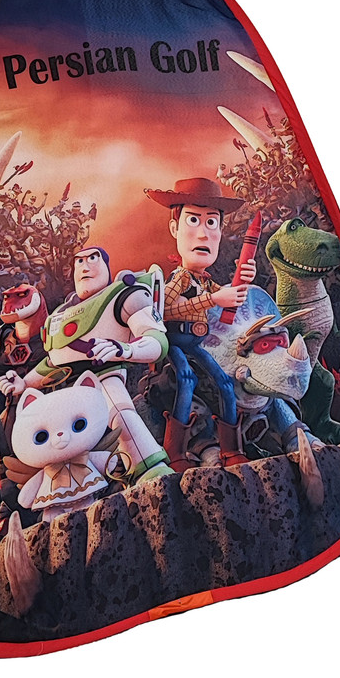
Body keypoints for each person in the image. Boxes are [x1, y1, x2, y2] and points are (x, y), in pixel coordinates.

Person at [0, 246, 173, 482]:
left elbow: (156, 340)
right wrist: (24, 383)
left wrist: (125, 349)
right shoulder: (60, 314)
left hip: (104, 376)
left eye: (92, 258)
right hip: (66, 391)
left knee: (120, 412)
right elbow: (54, 361)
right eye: (78, 261)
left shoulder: (124, 295)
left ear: (107, 265)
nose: (85, 266)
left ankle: (149, 469)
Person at [145, 177, 256, 468]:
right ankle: (175, 453)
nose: (203, 234)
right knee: (186, 379)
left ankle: (232, 449)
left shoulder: (205, 281)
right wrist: (213, 299)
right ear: (174, 228)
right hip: (175, 342)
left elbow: (230, 298)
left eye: (212, 223)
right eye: (193, 220)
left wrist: (243, 281)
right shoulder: (179, 278)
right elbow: (165, 310)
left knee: (225, 382)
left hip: (196, 343)